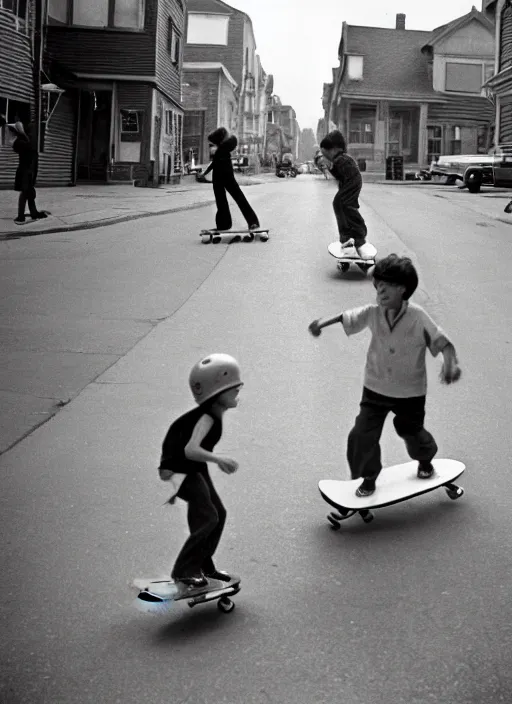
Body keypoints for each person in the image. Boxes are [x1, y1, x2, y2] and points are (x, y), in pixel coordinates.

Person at [308, 254, 461, 498]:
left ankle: (425, 460)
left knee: (411, 432)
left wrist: (450, 363)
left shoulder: (418, 317)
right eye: (377, 286)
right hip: (375, 388)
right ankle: (368, 478)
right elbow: (347, 316)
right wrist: (321, 323)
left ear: (402, 289)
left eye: (385, 287)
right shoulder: (373, 312)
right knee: (361, 434)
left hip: (410, 391)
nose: (379, 292)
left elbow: (441, 341)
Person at [158, 353, 243, 596]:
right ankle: (183, 571)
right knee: (207, 518)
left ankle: (203, 565)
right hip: (178, 468)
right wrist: (219, 459)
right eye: (233, 386)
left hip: (192, 466)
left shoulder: (214, 413)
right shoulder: (207, 417)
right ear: (217, 392)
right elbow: (191, 449)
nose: (238, 388)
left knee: (220, 513)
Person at [317, 130, 373, 259]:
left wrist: (330, 168)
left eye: (327, 154)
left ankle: (357, 235)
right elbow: (341, 177)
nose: (327, 157)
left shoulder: (341, 159)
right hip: (350, 183)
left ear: (336, 149)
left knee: (343, 204)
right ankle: (348, 236)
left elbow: (340, 173)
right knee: (341, 205)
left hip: (352, 183)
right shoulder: (340, 158)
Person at [202, 127, 260, 234]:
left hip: (225, 176)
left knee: (231, 199)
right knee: (228, 200)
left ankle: (246, 222)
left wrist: (205, 173)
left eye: (214, 143)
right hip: (219, 176)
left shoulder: (223, 148)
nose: (213, 146)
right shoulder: (222, 148)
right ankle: (247, 222)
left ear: (219, 140)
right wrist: (205, 173)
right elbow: (214, 163)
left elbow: (216, 160)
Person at [0, 117, 48, 226]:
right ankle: (21, 216)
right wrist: (21, 132)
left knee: (29, 192)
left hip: (30, 170)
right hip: (26, 171)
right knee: (25, 192)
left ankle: (33, 213)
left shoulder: (27, 141)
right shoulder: (21, 142)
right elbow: (23, 147)